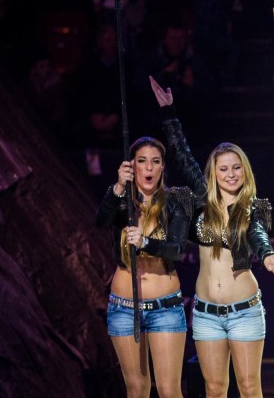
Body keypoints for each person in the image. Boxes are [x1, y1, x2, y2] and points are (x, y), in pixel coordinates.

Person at [152, 77, 274, 398]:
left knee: (249, 388)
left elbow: (257, 234)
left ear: (245, 171)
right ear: (213, 172)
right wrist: (169, 114)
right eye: (223, 169)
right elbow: (182, 156)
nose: (230, 174)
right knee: (214, 389)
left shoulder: (254, 207)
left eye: (236, 168)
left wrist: (267, 254)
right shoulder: (202, 200)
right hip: (205, 315)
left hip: (245, 312)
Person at [95, 137, 192, 398]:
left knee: (169, 390)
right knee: (137, 389)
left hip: (165, 308)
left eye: (155, 161)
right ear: (131, 166)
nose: (149, 167)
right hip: (124, 308)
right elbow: (101, 221)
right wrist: (118, 187)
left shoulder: (176, 200)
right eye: (142, 161)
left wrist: (146, 242)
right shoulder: (121, 201)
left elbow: (176, 249)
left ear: (162, 167)